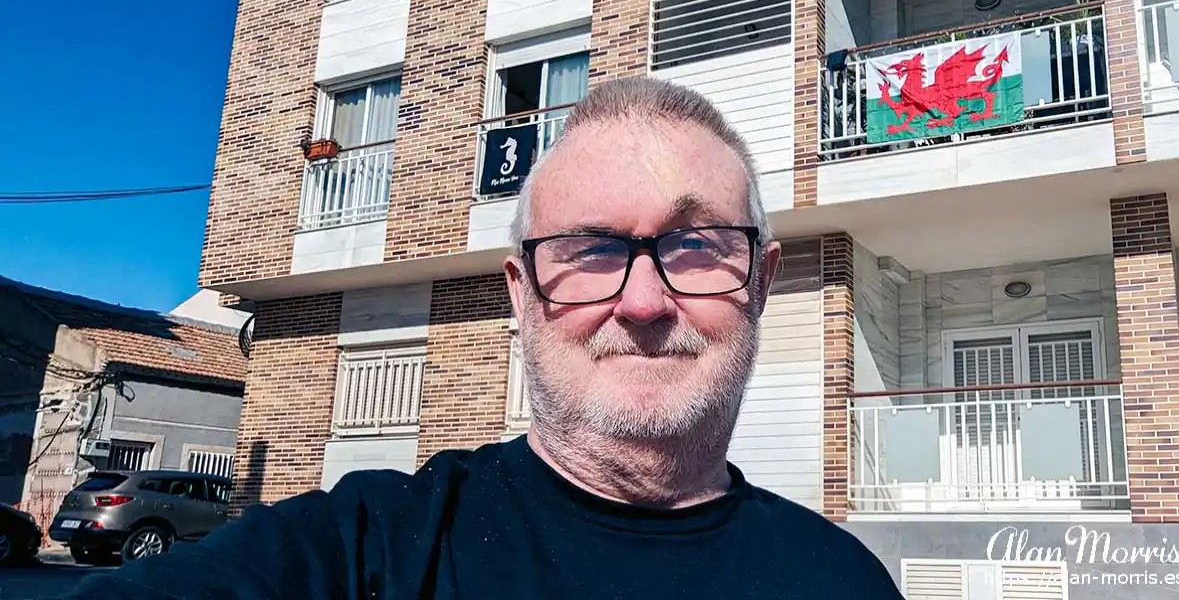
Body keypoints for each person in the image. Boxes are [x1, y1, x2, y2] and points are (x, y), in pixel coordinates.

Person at [58, 77, 904, 599]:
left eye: (694, 246)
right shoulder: (365, 548)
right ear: (522, 292)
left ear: (758, 281)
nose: (644, 301)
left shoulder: (847, 582)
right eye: (591, 249)